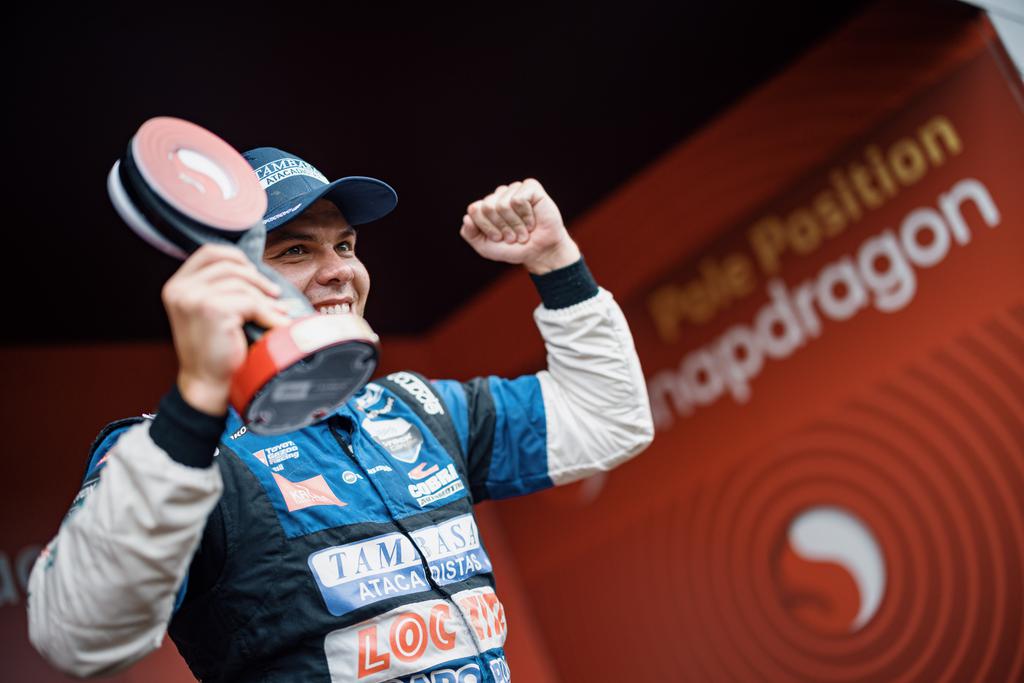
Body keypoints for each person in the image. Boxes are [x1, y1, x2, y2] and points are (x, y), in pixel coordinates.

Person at [27, 146, 654, 682]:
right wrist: (193, 404)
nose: (340, 272)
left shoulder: (417, 407)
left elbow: (608, 418)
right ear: (226, 282)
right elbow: (74, 633)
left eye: (346, 244)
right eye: (297, 251)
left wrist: (555, 262)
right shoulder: (179, 452)